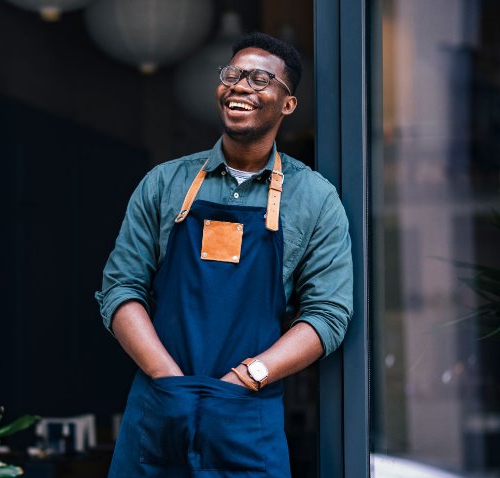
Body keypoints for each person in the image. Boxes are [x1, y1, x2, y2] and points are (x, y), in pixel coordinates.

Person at [96, 31, 353, 477]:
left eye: (259, 79)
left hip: (245, 416)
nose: (239, 86)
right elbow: (120, 289)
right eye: (232, 74)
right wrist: (169, 381)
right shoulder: (163, 183)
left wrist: (247, 377)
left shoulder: (314, 198)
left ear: (287, 104)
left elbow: (328, 315)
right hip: (161, 410)